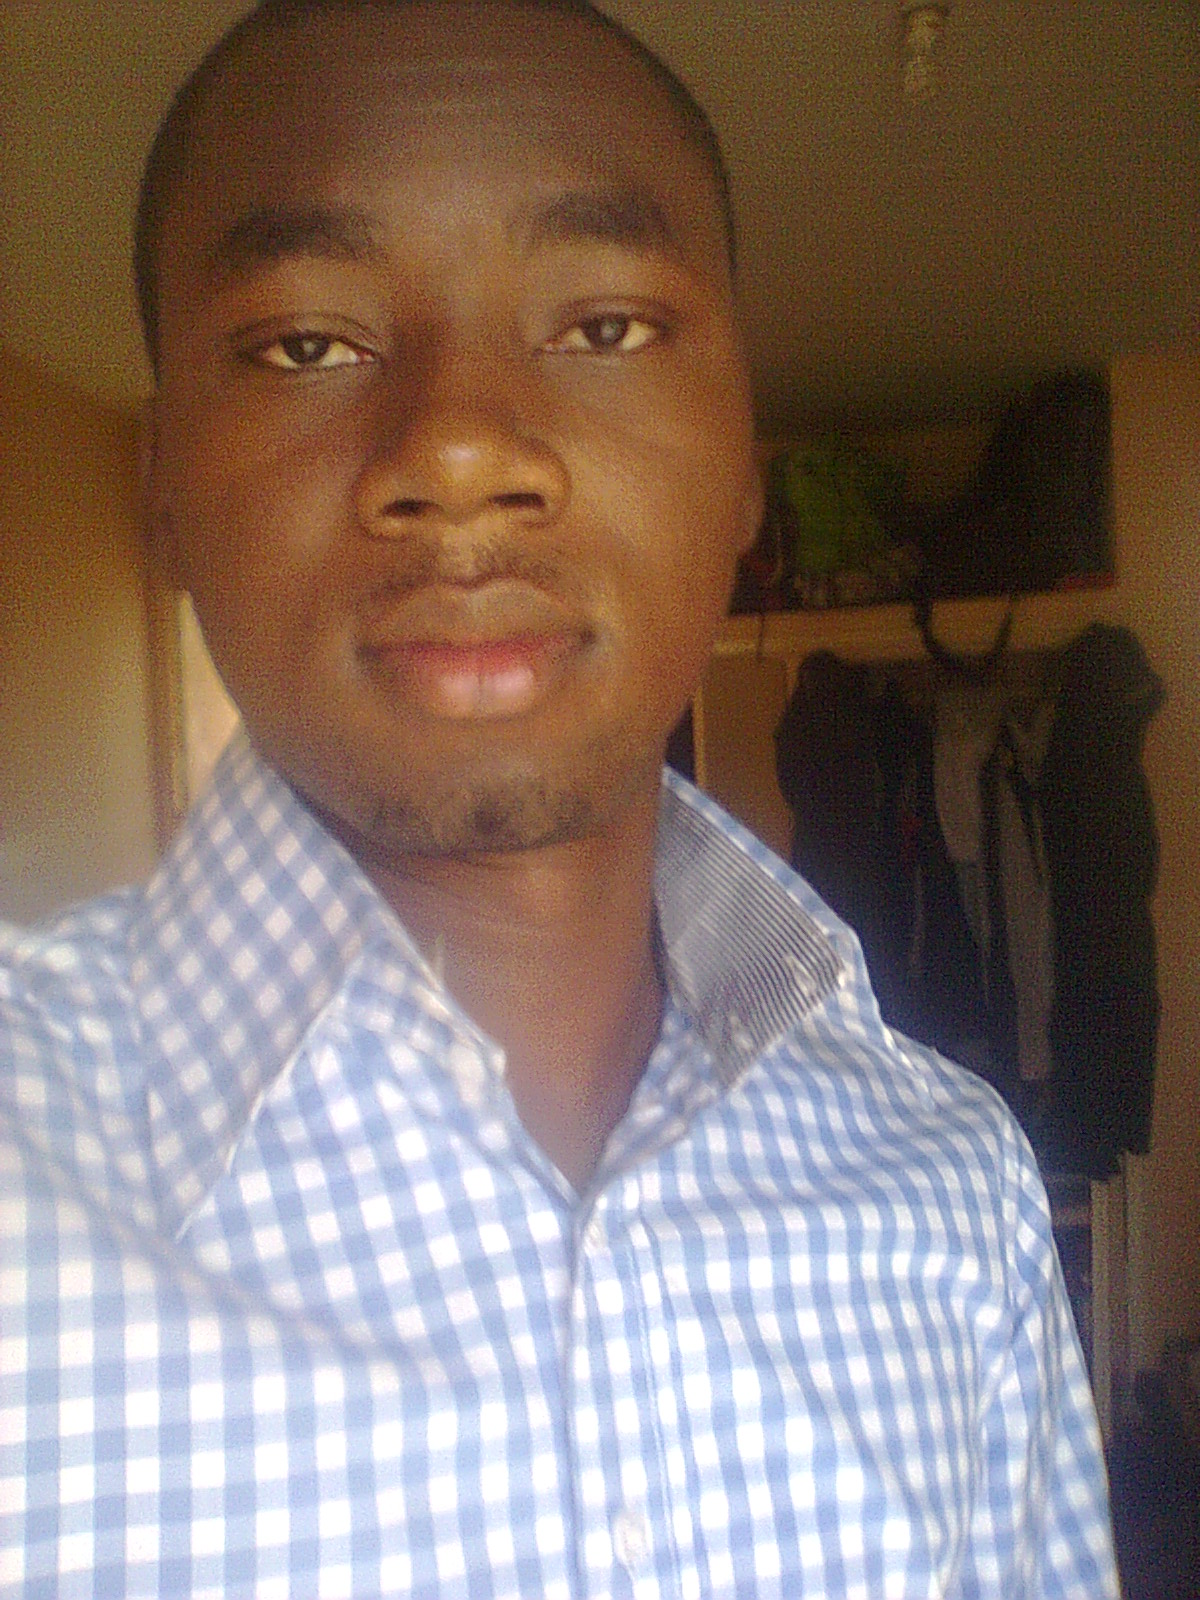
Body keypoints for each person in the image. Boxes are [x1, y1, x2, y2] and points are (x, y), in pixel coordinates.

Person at [0, 1, 1119, 1594]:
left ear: (743, 461)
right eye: (308, 344)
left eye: (604, 326)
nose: (460, 451)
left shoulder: (953, 1186)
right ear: (162, 482)